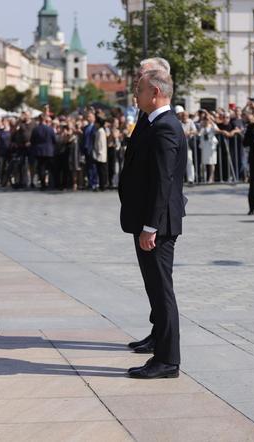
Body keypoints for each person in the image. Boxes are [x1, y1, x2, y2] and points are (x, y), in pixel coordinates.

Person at [118, 68, 186, 379]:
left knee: (162, 291)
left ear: (155, 93)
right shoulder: (151, 122)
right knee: (154, 288)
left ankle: (168, 360)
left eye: (140, 89)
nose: (136, 94)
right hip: (147, 219)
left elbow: (163, 181)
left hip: (156, 224)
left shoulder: (166, 127)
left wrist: (150, 226)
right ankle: (159, 342)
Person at [30, 114, 57, 190]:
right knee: (50, 168)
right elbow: (54, 140)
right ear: (45, 120)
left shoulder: (36, 129)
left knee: (41, 168)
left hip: (39, 151)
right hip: (49, 151)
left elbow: (32, 140)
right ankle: (52, 183)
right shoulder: (50, 129)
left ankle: (43, 184)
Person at [198, 111, 219, 183]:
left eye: (208, 119)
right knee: (204, 162)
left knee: (212, 162)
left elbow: (217, 131)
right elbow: (199, 133)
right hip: (204, 146)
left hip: (211, 146)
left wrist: (212, 122)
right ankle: (204, 177)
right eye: (205, 119)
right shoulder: (202, 126)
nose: (206, 120)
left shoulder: (213, 125)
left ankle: (211, 177)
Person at [93, 117, 108, 190]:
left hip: (100, 154)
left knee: (101, 171)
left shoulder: (100, 131)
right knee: (101, 170)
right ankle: (102, 185)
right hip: (101, 153)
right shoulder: (100, 131)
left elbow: (100, 143)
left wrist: (99, 152)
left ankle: (102, 185)